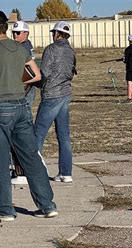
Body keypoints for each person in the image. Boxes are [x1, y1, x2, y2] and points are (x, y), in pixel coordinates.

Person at [0, 9, 58, 221]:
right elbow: (36, 74)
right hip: (21, 108)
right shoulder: (20, 50)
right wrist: (16, 83)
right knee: (30, 157)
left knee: (0, 160)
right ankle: (47, 205)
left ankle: (5, 209)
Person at [35, 21, 76, 184]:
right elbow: (72, 72)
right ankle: (66, 172)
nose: (52, 35)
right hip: (65, 94)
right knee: (64, 136)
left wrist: (35, 83)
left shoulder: (51, 49)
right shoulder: (71, 51)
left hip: (51, 95)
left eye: (54, 33)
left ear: (57, 34)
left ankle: (34, 170)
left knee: (38, 133)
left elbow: (44, 72)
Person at [10, 20, 36, 186]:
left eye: (18, 33)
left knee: (20, 129)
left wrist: (20, 89)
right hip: (24, 91)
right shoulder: (24, 47)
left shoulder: (23, 48)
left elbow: (28, 74)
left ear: (26, 33)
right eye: (13, 33)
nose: (15, 35)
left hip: (24, 92)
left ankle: (23, 170)